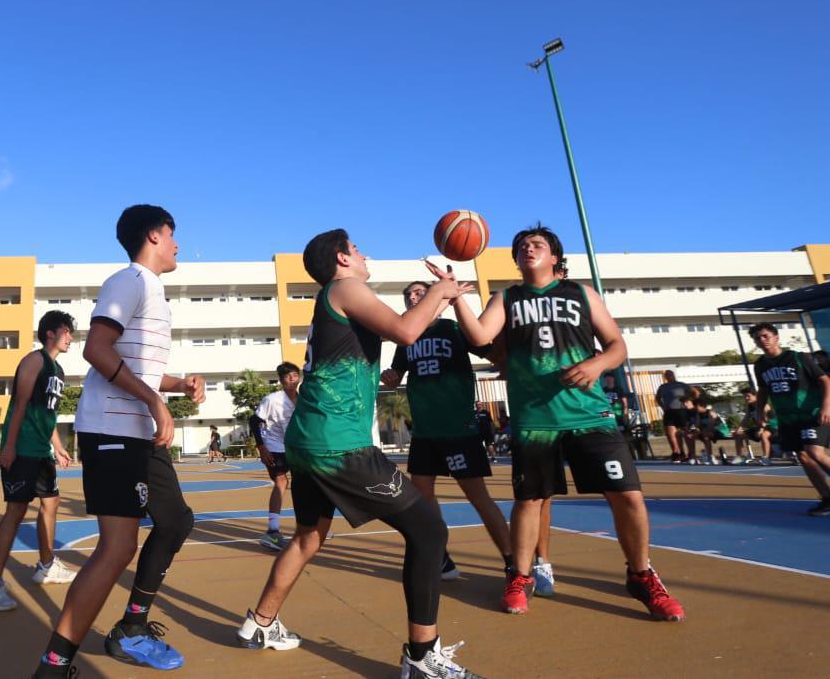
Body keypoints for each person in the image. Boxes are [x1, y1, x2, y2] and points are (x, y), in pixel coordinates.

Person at [235, 229, 485, 679]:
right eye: (357, 249)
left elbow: (407, 323)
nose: (365, 254)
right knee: (428, 533)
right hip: (338, 444)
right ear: (342, 258)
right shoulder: (347, 287)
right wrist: (442, 291)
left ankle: (260, 622)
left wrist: (442, 299)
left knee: (309, 537)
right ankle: (422, 656)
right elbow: (408, 330)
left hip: (309, 439)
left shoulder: (336, 297)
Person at [450, 223, 684, 621]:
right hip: (536, 419)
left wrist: (597, 364)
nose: (529, 247)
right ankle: (520, 576)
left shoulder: (581, 294)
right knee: (530, 501)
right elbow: (478, 336)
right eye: (522, 245)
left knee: (627, 495)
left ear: (554, 257)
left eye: (537, 243)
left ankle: (641, 574)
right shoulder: (507, 297)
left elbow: (617, 346)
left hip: (589, 413)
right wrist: (456, 299)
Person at [33, 205, 205, 677]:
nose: (176, 244)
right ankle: (54, 664)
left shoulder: (153, 291)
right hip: (112, 428)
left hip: (137, 430)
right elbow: (96, 350)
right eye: (172, 234)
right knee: (117, 548)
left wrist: (174, 385)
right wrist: (153, 399)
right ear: (153, 235)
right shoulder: (128, 281)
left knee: (174, 521)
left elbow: (136, 367)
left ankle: (132, 627)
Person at [379, 279, 512, 583]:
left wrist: (507, 360)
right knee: (423, 498)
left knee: (478, 497)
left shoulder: (451, 328)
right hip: (425, 431)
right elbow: (396, 375)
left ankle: (511, 561)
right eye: (409, 294)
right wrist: (390, 375)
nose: (413, 297)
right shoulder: (407, 336)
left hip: (458, 428)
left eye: (418, 293)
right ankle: (442, 557)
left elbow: (489, 349)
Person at [0, 311, 80, 611]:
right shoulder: (35, 361)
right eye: (66, 331)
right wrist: (8, 446)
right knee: (16, 511)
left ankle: (47, 566)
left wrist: (58, 447)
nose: (70, 336)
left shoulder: (58, 371)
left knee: (52, 502)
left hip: (40, 451)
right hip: (21, 448)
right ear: (50, 333)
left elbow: (46, 416)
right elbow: (20, 405)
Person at [750, 323, 830, 516]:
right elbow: (763, 390)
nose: (762, 340)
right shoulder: (760, 365)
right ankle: (827, 498)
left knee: (814, 452)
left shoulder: (798, 358)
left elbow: (825, 380)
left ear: (776, 337)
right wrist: (760, 410)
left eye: (765, 336)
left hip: (811, 413)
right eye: (757, 338)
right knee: (803, 457)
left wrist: (827, 406)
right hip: (787, 418)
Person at [251, 362, 300, 551]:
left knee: (304, 484)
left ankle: (306, 528)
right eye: (288, 376)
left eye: (295, 375)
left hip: (296, 447)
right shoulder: (272, 399)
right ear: (281, 380)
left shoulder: (304, 398)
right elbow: (255, 421)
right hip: (274, 446)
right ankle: (272, 532)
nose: (292, 379)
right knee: (281, 482)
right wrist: (262, 447)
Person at [656, 370, 692, 463]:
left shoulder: (682, 385)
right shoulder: (663, 387)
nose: (669, 376)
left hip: (681, 411)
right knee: (671, 433)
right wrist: (663, 406)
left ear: (673, 375)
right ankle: (677, 453)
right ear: (665, 377)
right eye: (667, 375)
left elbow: (694, 393)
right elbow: (657, 398)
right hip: (669, 411)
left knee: (685, 432)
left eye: (670, 375)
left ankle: (690, 454)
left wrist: (689, 403)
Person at [733, 387, 774, 464]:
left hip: (772, 427)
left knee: (763, 435)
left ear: (755, 396)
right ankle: (740, 457)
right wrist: (738, 429)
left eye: (748, 396)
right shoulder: (750, 406)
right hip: (759, 427)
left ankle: (766, 458)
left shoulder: (764, 405)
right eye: (744, 396)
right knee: (739, 435)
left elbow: (765, 421)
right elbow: (745, 419)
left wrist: (761, 429)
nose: (746, 398)